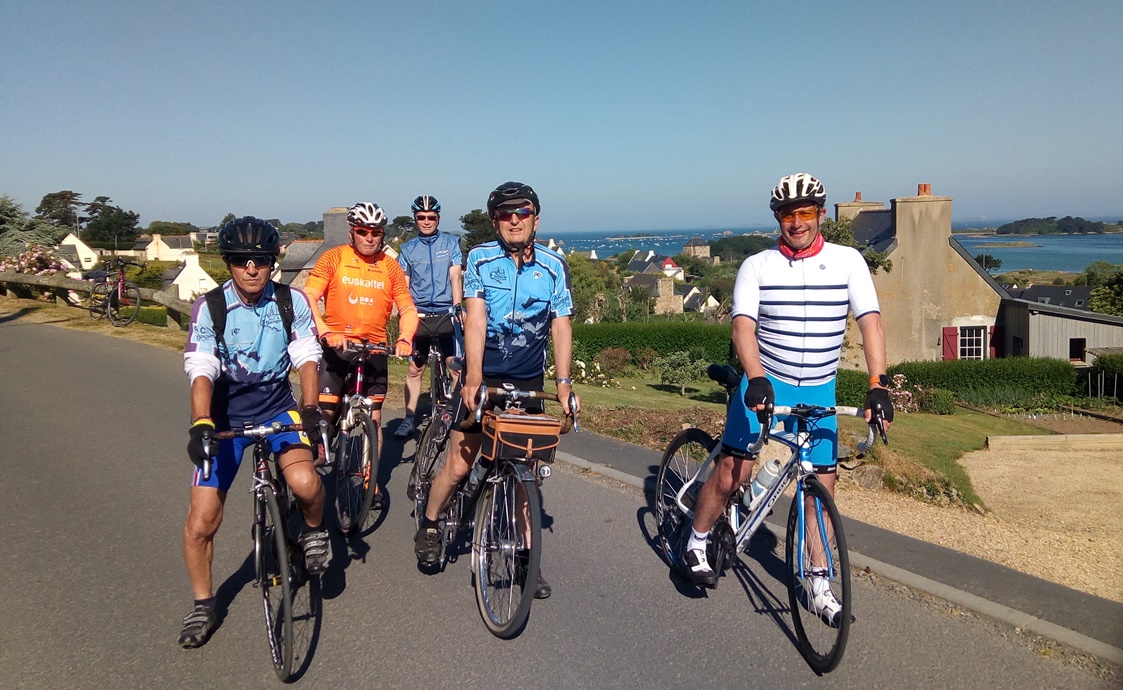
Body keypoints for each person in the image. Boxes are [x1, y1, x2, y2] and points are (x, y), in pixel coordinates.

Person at [683, 173, 894, 612]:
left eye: (805, 213)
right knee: (732, 473)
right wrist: (756, 376)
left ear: (820, 214)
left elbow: (870, 323)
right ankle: (696, 540)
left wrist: (878, 385)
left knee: (821, 490)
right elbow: (743, 328)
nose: (797, 222)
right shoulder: (757, 266)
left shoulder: (848, 261)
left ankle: (818, 582)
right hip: (766, 380)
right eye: (787, 215)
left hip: (820, 389)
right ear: (777, 218)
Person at [413, 181, 578, 600]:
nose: (515, 220)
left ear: (536, 218)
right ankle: (430, 524)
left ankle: (526, 561)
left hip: (527, 379)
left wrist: (563, 384)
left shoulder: (554, 266)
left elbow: (561, 324)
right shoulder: (480, 259)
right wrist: (472, 378)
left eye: (523, 212)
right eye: (506, 214)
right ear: (494, 221)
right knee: (460, 462)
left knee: (527, 476)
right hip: (482, 374)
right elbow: (477, 317)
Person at [180, 216, 331, 648]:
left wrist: (310, 409)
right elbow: (201, 368)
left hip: (278, 407)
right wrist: (201, 423)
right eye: (241, 260)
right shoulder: (211, 307)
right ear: (228, 263)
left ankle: (313, 530)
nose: (251, 268)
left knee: (305, 482)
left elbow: (306, 355)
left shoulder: (290, 301)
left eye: (261, 260)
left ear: (271, 264)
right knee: (201, 521)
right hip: (225, 416)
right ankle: (204, 604)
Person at [303, 202, 417, 486]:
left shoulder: (390, 266)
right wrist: (325, 332)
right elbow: (308, 298)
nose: (369, 237)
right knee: (324, 412)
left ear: (382, 234)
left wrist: (404, 338)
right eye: (363, 231)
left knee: (374, 417)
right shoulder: (334, 257)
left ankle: (370, 480)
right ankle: (306, 474)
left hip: (374, 349)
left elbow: (407, 308)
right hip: (337, 348)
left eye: (375, 232)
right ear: (352, 233)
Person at [393, 195, 463, 437]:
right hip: (419, 313)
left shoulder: (451, 243)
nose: (426, 221)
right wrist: (404, 313)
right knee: (415, 369)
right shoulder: (408, 249)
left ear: (438, 218)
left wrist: (457, 307)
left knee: (454, 367)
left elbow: (455, 277)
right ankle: (409, 418)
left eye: (431, 217)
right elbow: (403, 284)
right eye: (421, 217)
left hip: (445, 311)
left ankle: (456, 414)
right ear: (415, 219)